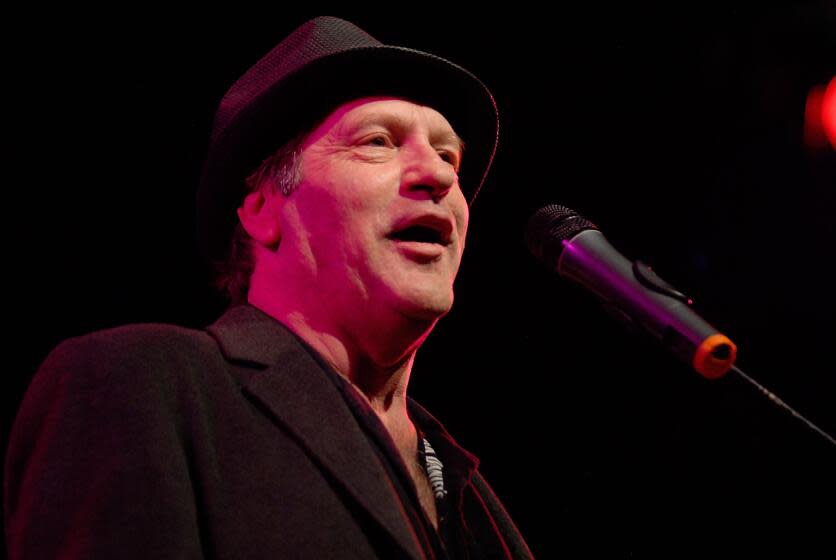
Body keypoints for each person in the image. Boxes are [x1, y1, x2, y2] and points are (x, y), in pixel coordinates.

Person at [4, 16, 533, 559]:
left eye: (449, 156)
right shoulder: (143, 384)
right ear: (262, 210)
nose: (440, 176)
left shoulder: (468, 490)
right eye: (378, 142)